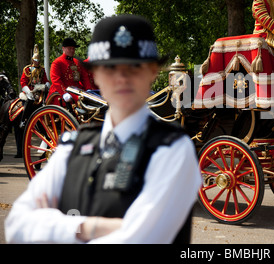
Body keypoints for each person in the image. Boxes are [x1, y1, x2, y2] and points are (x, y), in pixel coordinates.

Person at [5, 14, 202, 244]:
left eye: (134, 67)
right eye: (110, 68)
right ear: (97, 74)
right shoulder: (71, 147)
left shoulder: (173, 149)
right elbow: (16, 226)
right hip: (64, 95)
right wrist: (91, 227)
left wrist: (59, 229)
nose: (121, 78)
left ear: (152, 73)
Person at [46, 37, 95, 105]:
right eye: (69, 48)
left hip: (76, 91)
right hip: (61, 92)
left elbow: (85, 77)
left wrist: (88, 89)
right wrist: (64, 93)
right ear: (63, 49)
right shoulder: (57, 62)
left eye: (73, 48)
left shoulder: (77, 62)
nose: (72, 50)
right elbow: (55, 80)